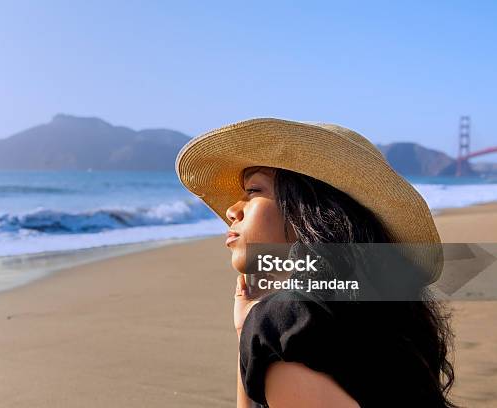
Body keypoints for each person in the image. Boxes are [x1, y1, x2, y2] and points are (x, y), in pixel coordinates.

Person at [176, 118, 457, 407]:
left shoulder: (289, 325)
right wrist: (247, 333)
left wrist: (265, 329)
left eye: (253, 191)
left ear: (309, 210)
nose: (232, 209)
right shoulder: (385, 318)